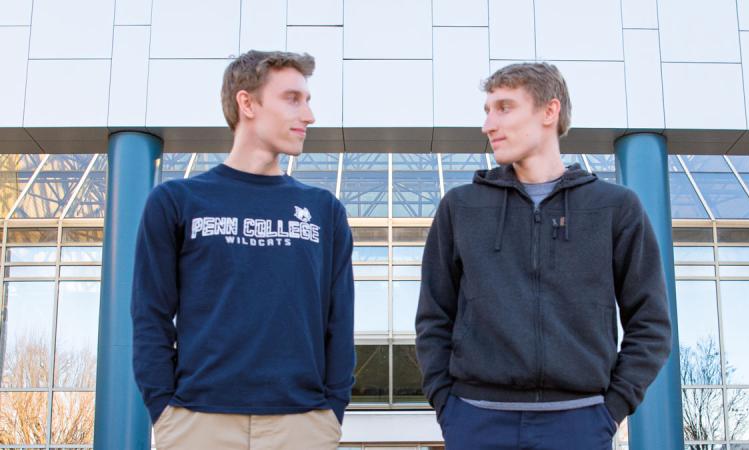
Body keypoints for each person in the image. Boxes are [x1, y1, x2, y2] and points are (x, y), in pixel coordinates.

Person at [415, 62, 672, 449]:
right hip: (476, 419)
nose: (488, 124)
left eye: (504, 108)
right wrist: (448, 406)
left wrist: (612, 408)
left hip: (580, 422)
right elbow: (434, 315)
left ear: (549, 112)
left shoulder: (615, 207)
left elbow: (651, 322)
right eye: (487, 111)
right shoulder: (461, 207)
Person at [131, 50, 354, 450]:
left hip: (303, 424)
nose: (309, 115)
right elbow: (150, 314)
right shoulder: (177, 201)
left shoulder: (325, 211)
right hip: (197, 423)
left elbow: (339, 320)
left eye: (308, 100)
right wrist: (164, 409)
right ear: (247, 103)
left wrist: (331, 409)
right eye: (292, 99)